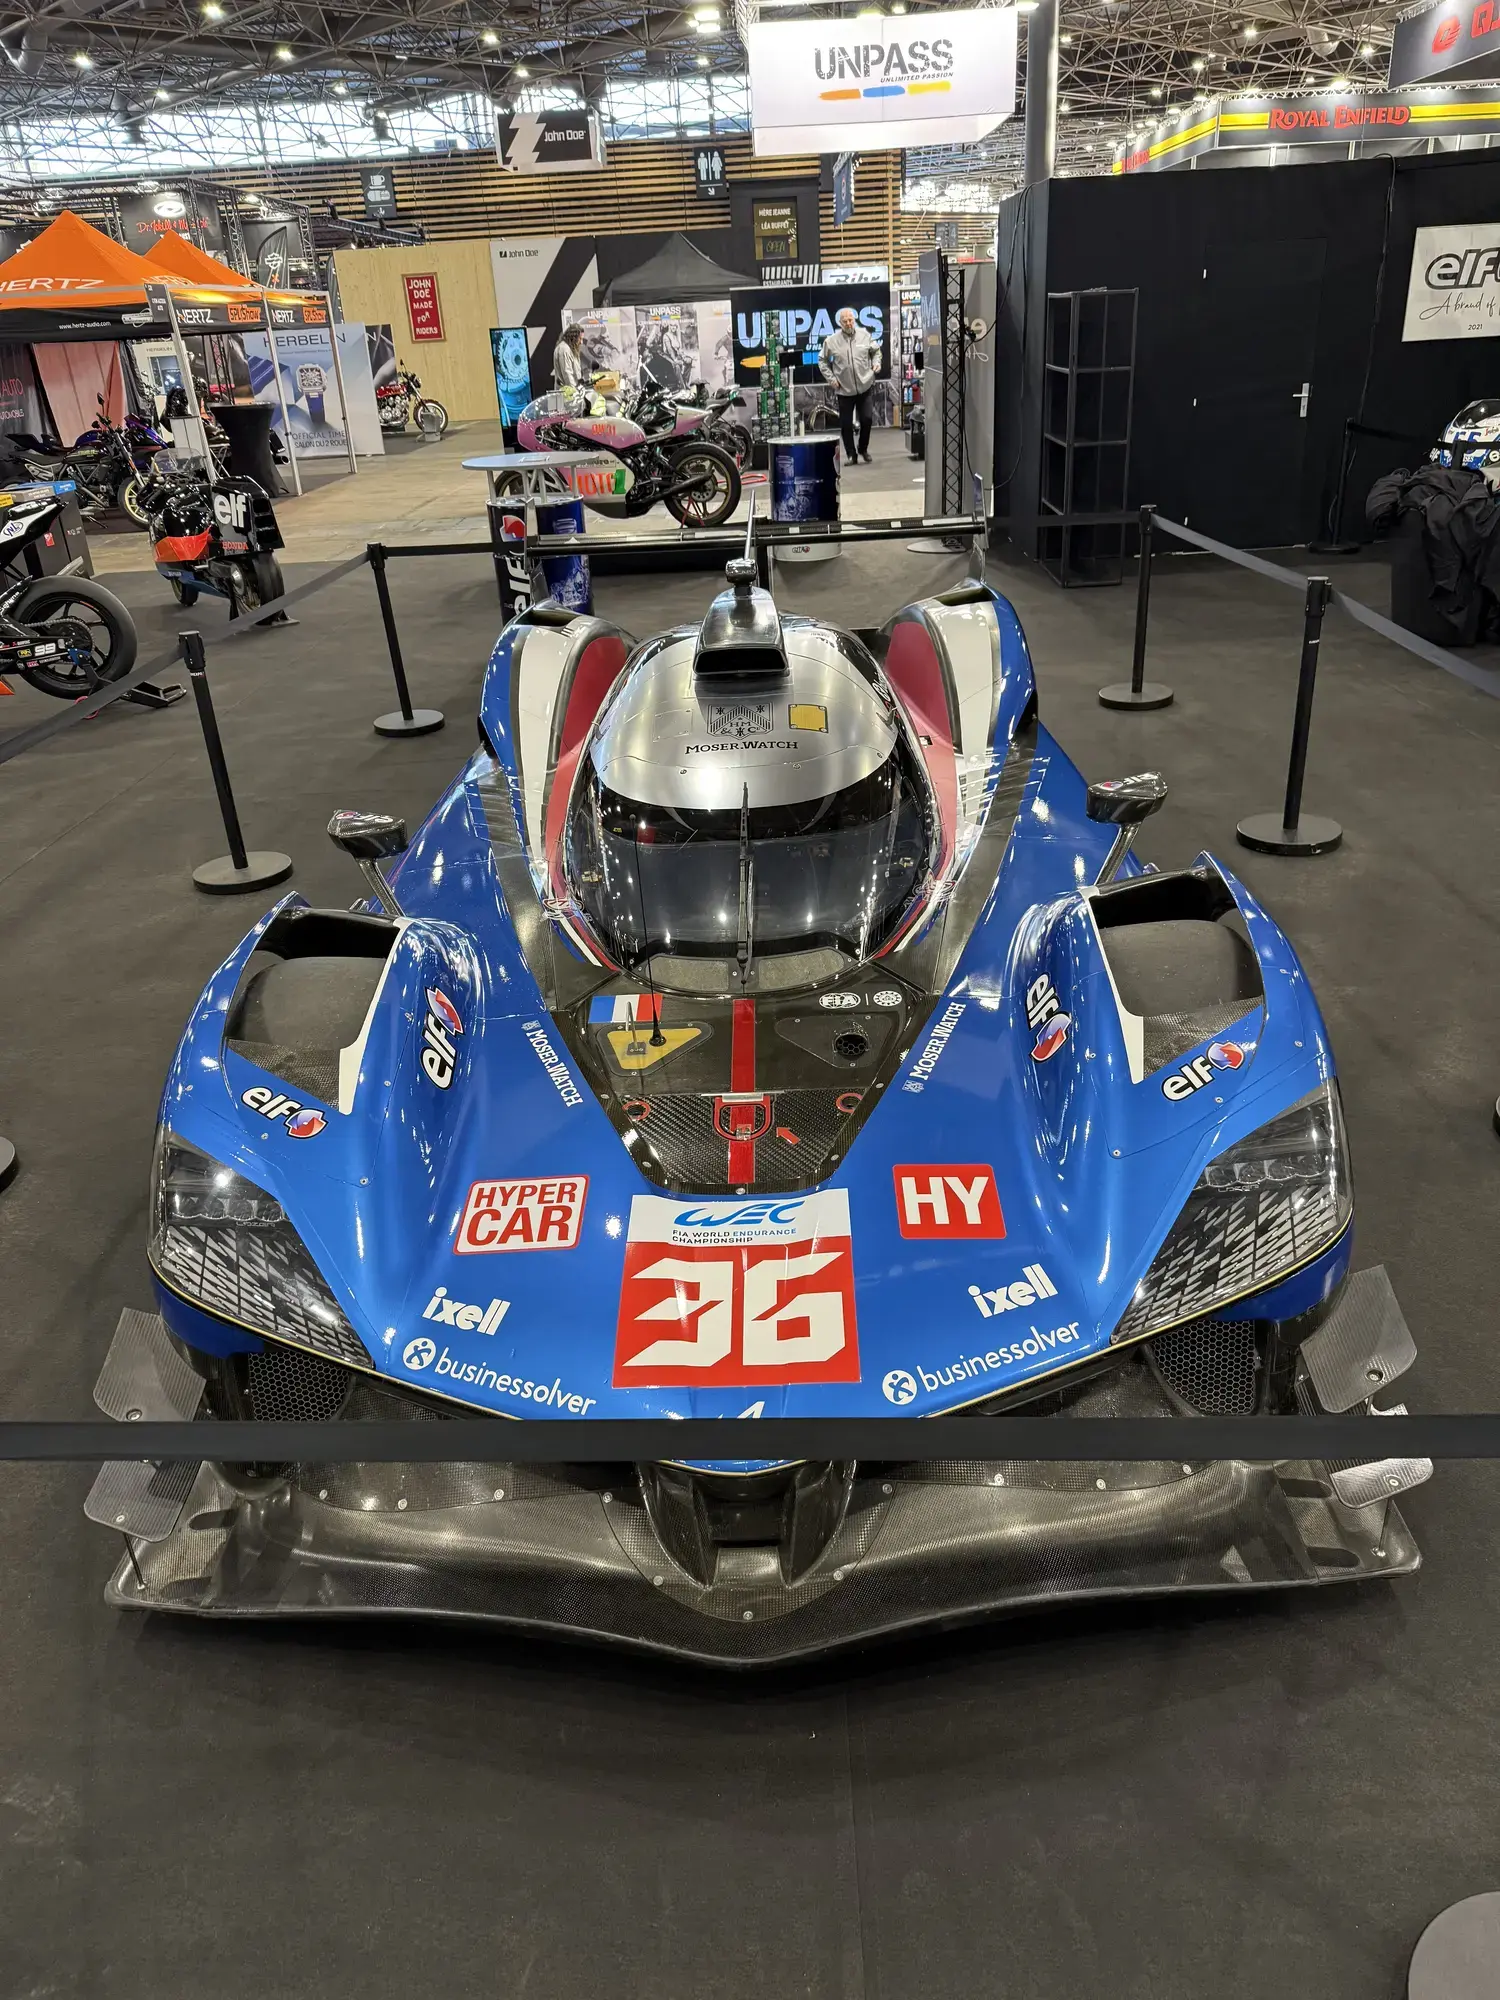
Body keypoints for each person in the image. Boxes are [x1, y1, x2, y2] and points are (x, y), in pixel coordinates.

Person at [818, 306, 882, 463]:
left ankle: (863, 448)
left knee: (867, 419)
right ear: (840, 323)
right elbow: (822, 361)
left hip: (865, 385)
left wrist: (876, 363)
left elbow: (876, 352)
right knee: (846, 424)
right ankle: (851, 454)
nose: (848, 323)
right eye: (845, 321)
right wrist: (831, 379)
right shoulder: (831, 341)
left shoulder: (865, 335)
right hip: (844, 390)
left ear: (854, 320)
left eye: (850, 320)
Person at [552, 323, 585, 392]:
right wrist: (575, 392)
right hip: (568, 394)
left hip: (572, 392)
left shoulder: (570, 349)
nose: (581, 342)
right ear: (573, 337)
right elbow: (567, 374)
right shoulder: (564, 349)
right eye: (580, 339)